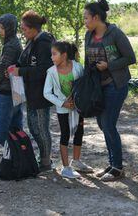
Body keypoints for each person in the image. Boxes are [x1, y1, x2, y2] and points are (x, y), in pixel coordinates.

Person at [83, 0, 136, 182]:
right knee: (102, 123)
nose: (85, 21)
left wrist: (109, 65)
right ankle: (113, 163)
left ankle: (117, 167)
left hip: (116, 85)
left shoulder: (115, 33)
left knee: (108, 124)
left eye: (86, 17)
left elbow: (130, 57)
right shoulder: (88, 35)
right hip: (98, 87)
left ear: (96, 17)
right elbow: (86, 61)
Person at [9, 10, 54, 172]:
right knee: (33, 127)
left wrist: (20, 72)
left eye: (25, 29)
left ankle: (46, 161)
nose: (23, 31)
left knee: (41, 128)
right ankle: (43, 157)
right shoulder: (31, 41)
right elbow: (24, 62)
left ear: (34, 28)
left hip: (42, 94)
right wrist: (16, 68)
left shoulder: (44, 44)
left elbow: (43, 70)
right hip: (31, 92)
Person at [43, 41, 93, 179]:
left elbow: (84, 86)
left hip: (78, 108)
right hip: (63, 109)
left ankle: (76, 161)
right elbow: (46, 93)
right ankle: (66, 168)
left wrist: (79, 102)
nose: (51, 57)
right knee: (65, 134)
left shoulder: (78, 67)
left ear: (64, 55)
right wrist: (62, 103)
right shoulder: (51, 72)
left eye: (54, 54)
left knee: (79, 132)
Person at [0, 14, 23, 146]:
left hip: (9, 92)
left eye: (2, 28)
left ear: (9, 28)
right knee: (16, 128)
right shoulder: (13, 43)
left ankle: (11, 158)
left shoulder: (11, 46)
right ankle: (17, 158)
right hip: (17, 90)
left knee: (2, 130)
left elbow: (3, 68)